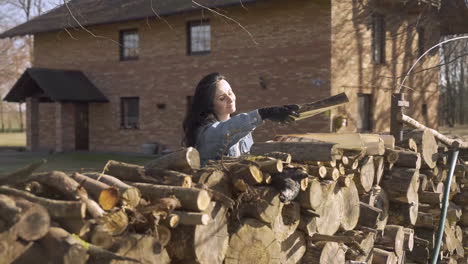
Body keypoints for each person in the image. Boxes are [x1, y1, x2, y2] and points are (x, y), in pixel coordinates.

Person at [183, 72, 299, 166]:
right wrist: (264, 114)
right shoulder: (205, 133)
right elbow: (224, 132)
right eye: (222, 98)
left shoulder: (244, 131)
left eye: (230, 92)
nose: (230, 99)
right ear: (209, 104)